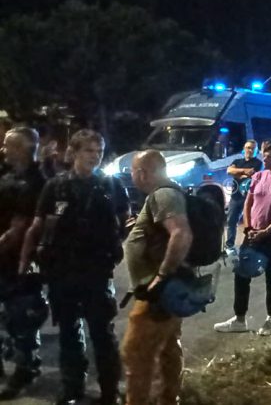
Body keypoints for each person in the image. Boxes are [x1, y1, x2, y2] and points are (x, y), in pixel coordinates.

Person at [19, 129, 130, 405]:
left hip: (96, 271)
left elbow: (126, 219)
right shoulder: (55, 186)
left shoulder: (111, 185)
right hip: (63, 271)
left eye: (99, 152)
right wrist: (25, 261)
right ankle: (72, 388)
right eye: (89, 151)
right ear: (74, 153)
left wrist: (113, 245)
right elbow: (38, 224)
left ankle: (108, 390)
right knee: (68, 331)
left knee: (102, 334)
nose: (95, 157)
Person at [121, 149, 193, 405]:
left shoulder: (163, 194)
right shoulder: (166, 193)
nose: (132, 177)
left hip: (158, 292)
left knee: (136, 352)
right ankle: (168, 398)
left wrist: (160, 277)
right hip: (169, 289)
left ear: (142, 173)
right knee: (168, 347)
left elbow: (181, 234)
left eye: (132, 172)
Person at [214, 142, 271, 335]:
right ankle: (239, 318)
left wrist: (266, 232)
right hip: (252, 234)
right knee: (242, 272)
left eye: (267, 156)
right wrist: (249, 227)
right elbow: (249, 202)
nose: (264, 159)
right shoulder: (259, 176)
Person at [0, 128, 47, 400]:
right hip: (4, 262)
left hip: (23, 262)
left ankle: (25, 368)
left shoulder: (36, 183)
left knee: (22, 318)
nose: (4, 150)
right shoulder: (6, 175)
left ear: (25, 148)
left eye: (9, 145)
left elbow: (19, 227)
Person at [225, 140, 262, 257]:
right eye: (247, 147)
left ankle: (248, 247)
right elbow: (229, 170)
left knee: (249, 223)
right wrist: (244, 171)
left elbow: (252, 174)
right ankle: (229, 245)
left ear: (256, 151)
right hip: (235, 197)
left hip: (249, 198)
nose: (249, 150)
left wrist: (237, 172)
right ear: (244, 148)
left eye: (252, 148)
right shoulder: (237, 161)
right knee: (231, 221)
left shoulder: (258, 163)